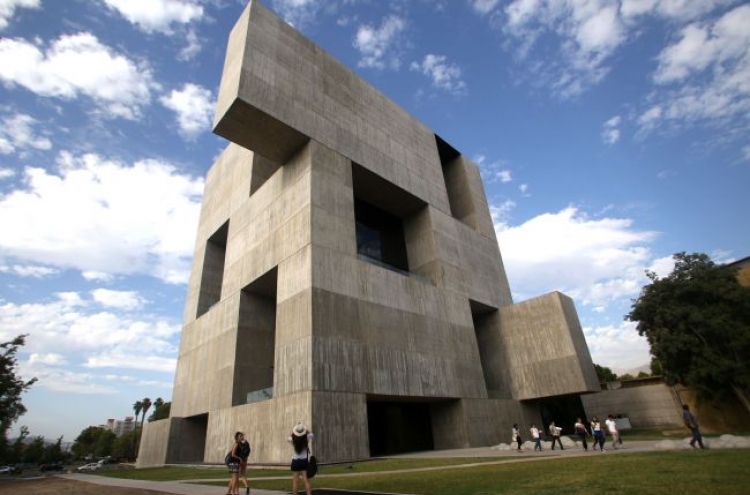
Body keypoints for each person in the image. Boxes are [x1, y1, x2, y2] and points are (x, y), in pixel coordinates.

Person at [288, 421, 314, 495]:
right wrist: (305, 429)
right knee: (306, 480)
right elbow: (312, 434)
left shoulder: (293, 440)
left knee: (295, 481)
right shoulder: (306, 439)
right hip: (304, 462)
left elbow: (289, 437)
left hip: (295, 461)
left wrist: (294, 430)